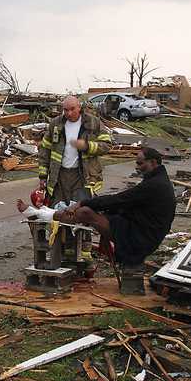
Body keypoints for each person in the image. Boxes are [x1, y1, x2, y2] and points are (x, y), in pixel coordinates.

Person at [53, 147, 175, 294]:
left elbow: (120, 199)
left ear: (153, 162)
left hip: (141, 237)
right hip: (145, 230)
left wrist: (82, 203)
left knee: (85, 212)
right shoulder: (158, 180)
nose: (138, 167)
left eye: (140, 163)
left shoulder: (154, 185)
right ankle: (57, 218)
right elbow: (127, 203)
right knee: (98, 211)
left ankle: (54, 217)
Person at [36, 95, 112, 270]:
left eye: (72, 109)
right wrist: (42, 177)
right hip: (59, 176)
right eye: (65, 110)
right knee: (59, 214)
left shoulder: (93, 122)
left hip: (83, 176)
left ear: (80, 108)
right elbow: (44, 151)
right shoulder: (56, 124)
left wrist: (87, 146)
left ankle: (83, 255)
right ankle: (63, 252)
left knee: (82, 213)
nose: (68, 113)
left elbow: (107, 145)